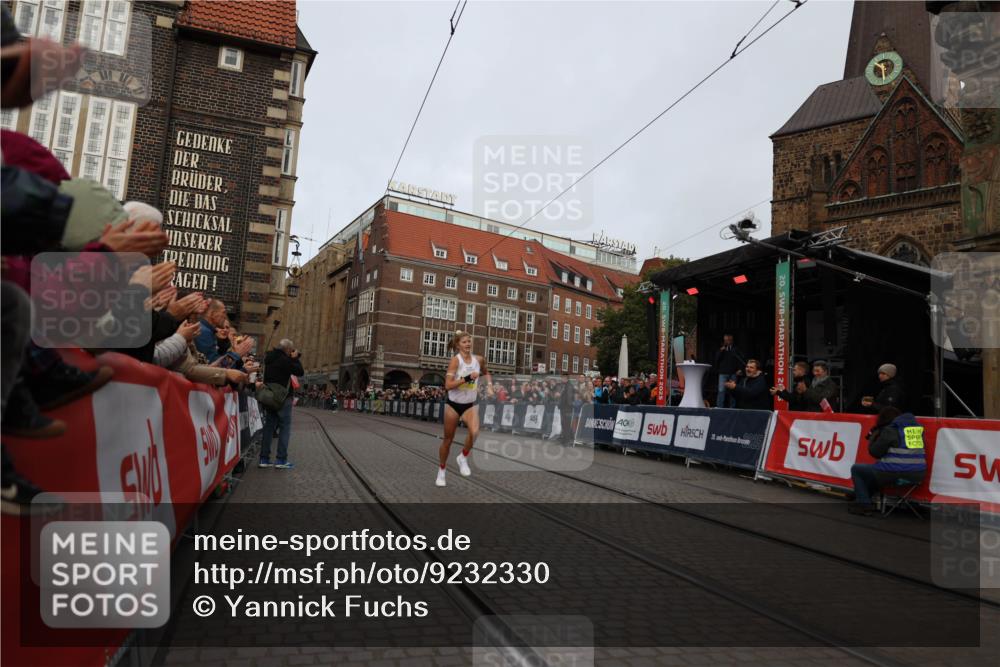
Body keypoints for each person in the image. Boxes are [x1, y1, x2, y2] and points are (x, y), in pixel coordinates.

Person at [848, 407, 926, 515]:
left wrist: (874, 437)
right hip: (917, 475)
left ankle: (863, 504)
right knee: (876, 472)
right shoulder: (916, 430)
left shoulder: (890, 430)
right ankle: (863, 499)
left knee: (857, 469)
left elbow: (875, 452)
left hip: (894, 474)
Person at [437, 330, 489, 487]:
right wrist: (467, 378)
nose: (468, 344)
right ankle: (442, 471)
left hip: (469, 405)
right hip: (453, 404)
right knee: (448, 440)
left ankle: (463, 457)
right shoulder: (455, 361)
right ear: (458, 344)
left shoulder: (478, 360)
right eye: (465, 342)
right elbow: (448, 385)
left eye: (469, 341)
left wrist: (490, 386)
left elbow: (486, 373)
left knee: (475, 432)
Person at [257, 339, 304, 469]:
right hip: (284, 397)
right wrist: (295, 359)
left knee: (269, 426)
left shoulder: (269, 358)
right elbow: (300, 371)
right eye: (291, 350)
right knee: (284, 427)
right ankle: (281, 460)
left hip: (270, 396)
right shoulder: (285, 360)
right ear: (288, 350)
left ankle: (264, 458)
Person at [714, 334, 745, 408]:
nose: (727, 341)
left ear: (732, 341)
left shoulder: (735, 349)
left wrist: (740, 369)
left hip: (733, 373)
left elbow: (741, 359)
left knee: (733, 391)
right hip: (723, 373)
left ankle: (732, 408)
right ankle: (719, 408)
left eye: (729, 340)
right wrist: (721, 351)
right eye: (726, 340)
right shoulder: (721, 349)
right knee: (721, 391)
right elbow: (716, 360)